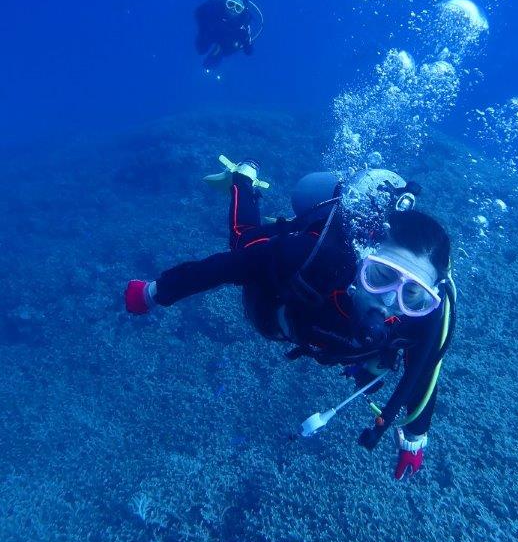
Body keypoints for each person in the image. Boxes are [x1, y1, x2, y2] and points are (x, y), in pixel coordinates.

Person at [125, 158, 456, 480]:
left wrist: (415, 438)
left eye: (413, 294)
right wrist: (153, 293)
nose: (389, 301)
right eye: (380, 276)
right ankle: (243, 178)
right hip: (288, 281)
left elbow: (423, 374)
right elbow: (219, 268)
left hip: (320, 332)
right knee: (243, 241)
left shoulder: (424, 319)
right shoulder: (310, 258)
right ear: (363, 258)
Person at [195, 0, 258, 70]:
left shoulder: (244, 21)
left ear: (243, 10)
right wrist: (203, 29)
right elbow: (198, 12)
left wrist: (245, 41)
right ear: (226, 2)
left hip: (227, 40)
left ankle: (218, 50)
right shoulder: (215, 7)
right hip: (212, 31)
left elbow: (248, 51)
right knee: (200, 49)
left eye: (238, 8)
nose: (233, 9)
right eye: (231, 4)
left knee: (224, 53)